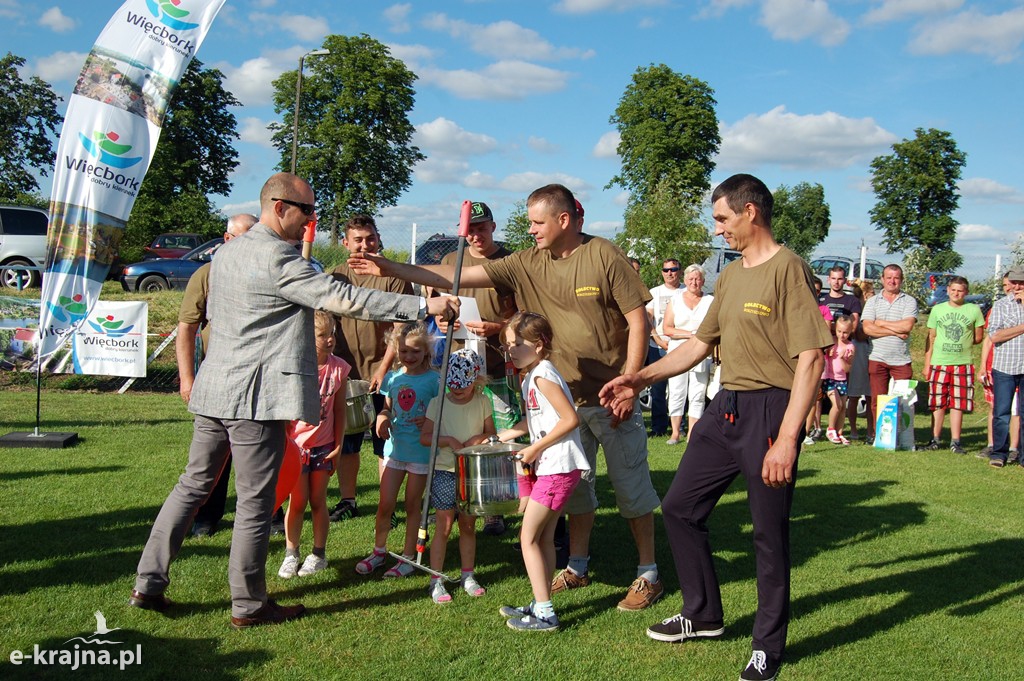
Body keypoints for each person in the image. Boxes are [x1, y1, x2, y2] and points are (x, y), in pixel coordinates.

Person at [129, 172, 459, 628]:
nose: (313, 221)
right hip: (253, 399)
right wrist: (423, 307)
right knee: (254, 502)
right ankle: (248, 604)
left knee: (191, 487)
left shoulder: (226, 252)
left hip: (213, 392)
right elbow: (341, 297)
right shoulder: (278, 258)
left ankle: (148, 583)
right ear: (279, 207)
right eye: (307, 211)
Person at [349, 183, 663, 612]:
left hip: (611, 397)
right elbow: (449, 276)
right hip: (561, 400)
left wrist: (631, 382)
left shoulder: (603, 255)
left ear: (564, 220)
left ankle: (648, 573)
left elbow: (637, 319)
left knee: (631, 489)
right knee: (576, 493)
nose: (531, 229)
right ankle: (577, 564)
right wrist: (388, 265)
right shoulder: (524, 263)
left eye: (537, 222)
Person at [600, 173, 832, 681]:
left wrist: (788, 439)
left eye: (723, 218)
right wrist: (638, 377)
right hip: (724, 407)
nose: (718, 228)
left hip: (772, 411)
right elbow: (699, 345)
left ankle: (767, 647)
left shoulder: (789, 269)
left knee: (769, 536)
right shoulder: (727, 275)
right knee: (681, 506)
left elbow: (811, 359)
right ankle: (703, 614)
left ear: (751, 213)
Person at [496, 312, 590, 632]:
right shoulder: (531, 375)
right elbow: (537, 421)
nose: (511, 350)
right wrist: (502, 437)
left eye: (517, 344)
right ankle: (540, 602)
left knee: (528, 537)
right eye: (508, 345)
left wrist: (534, 449)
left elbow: (569, 419)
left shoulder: (542, 375)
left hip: (559, 468)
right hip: (553, 467)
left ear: (538, 345)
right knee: (545, 537)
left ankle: (546, 614)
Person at [432, 201, 518, 537]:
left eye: (481, 228)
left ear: (493, 227)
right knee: (457, 431)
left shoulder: (510, 262)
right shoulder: (451, 261)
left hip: (496, 362)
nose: (475, 236)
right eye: (469, 230)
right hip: (457, 365)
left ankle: (494, 506)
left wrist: (497, 327)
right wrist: (440, 320)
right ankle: (448, 498)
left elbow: (524, 313)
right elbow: (440, 302)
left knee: (493, 432)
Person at [328, 214, 415, 523]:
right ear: (345, 243)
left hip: (385, 373)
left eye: (370, 239)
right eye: (358, 240)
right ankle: (348, 500)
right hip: (346, 374)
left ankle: (386, 506)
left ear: (379, 239)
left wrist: (384, 369)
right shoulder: (334, 277)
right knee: (347, 442)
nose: (365, 245)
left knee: (384, 442)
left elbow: (401, 326)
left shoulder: (393, 276)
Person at [176, 213, 257, 537]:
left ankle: (274, 513)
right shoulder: (206, 275)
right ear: (226, 240)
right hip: (217, 377)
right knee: (213, 456)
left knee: (263, 453)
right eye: (242, 238)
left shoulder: (267, 273)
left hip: (258, 378)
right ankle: (207, 515)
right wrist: (187, 378)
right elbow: (187, 328)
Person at [354, 322, 438, 578]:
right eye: (403, 351)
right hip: (395, 450)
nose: (409, 357)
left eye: (415, 351)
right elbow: (387, 407)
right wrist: (382, 416)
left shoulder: (435, 380)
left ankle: (408, 556)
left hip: (420, 454)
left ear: (426, 352)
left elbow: (442, 414)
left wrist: (430, 421)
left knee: (412, 505)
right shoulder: (393, 378)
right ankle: (379, 551)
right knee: (385, 503)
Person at [278, 311, 350, 578]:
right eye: (323, 335)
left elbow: (340, 411)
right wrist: (285, 446)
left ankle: (318, 554)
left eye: (333, 333)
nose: (330, 339)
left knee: (318, 500)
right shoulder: (295, 366)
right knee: (297, 501)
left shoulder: (340, 368)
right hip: (295, 447)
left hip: (324, 446)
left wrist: (339, 445)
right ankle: (291, 553)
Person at [420, 349, 496, 604]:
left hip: (471, 473)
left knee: (467, 525)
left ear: (476, 380)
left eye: (462, 388)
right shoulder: (437, 402)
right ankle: (436, 579)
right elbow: (425, 437)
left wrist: (480, 438)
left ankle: (468, 575)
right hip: (444, 471)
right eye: (453, 387)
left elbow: (492, 433)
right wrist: (448, 440)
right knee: (443, 526)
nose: (457, 392)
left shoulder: (483, 401)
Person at [921, 276, 984, 454]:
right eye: (953, 290)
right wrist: (927, 363)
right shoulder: (938, 310)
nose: (956, 293)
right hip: (939, 362)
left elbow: (978, 336)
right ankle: (934, 438)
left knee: (958, 402)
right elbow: (931, 338)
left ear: (966, 292)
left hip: (962, 363)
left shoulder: (973, 310)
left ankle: (955, 441)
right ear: (947, 290)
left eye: (960, 290)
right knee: (937, 402)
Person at [861, 264, 918, 437]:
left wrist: (880, 323)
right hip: (877, 357)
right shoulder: (873, 301)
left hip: (901, 359)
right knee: (878, 400)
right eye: (889, 277)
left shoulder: (909, 301)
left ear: (901, 280)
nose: (892, 281)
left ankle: (903, 436)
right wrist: (895, 330)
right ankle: (881, 435)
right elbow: (867, 329)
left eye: (896, 278)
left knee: (905, 401)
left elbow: (907, 325)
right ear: (882, 279)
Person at [661, 263, 713, 444]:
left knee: (698, 392)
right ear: (685, 280)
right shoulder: (675, 300)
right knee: (676, 391)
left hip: (701, 352)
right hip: (678, 351)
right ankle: (675, 432)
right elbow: (667, 328)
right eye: (691, 279)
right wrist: (690, 334)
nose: (694, 282)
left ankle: (693, 432)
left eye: (698, 279)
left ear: (703, 281)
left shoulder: (710, 301)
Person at [985, 266, 1024, 468]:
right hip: (1005, 367)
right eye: (1014, 282)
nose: (1017, 287)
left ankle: (1022, 456)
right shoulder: (1000, 305)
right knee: (1001, 413)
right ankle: (999, 453)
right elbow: (996, 335)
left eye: (1021, 283)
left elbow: (1004, 333)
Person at [645, 258, 681, 438]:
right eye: (666, 270)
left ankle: (679, 426)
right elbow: (648, 318)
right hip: (657, 345)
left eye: (673, 269)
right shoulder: (655, 292)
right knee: (658, 388)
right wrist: (658, 340)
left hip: (681, 346)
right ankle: (659, 427)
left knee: (679, 388)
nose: (670, 273)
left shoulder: (686, 291)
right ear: (662, 272)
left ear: (679, 271)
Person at [845, 283, 872, 441]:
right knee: (854, 394)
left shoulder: (873, 308)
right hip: (859, 352)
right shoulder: (857, 308)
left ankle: (871, 430)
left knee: (870, 395)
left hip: (872, 352)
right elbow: (858, 333)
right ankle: (853, 430)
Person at [822, 315, 856, 445]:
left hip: (842, 380)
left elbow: (847, 369)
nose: (842, 335)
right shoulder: (831, 342)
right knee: (837, 405)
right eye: (839, 331)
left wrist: (842, 359)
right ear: (835, 329)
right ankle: (830, 429)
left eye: (845, 332)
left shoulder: (850, 347)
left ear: (851, 331)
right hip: (830, 379)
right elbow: (823, 355)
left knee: (842, 408)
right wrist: (827, 353)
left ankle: (839, 432)